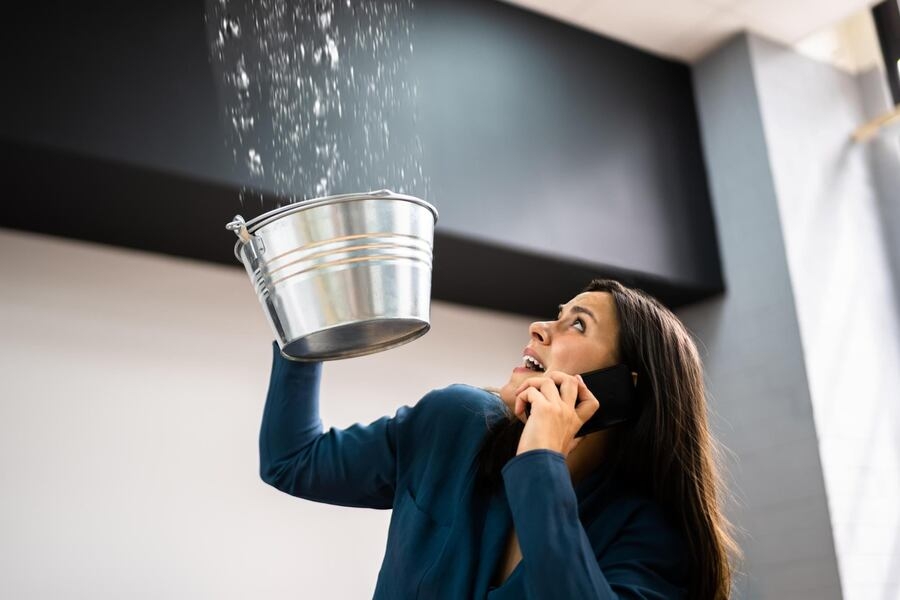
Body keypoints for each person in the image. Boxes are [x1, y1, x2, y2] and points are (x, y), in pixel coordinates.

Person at [259, 278, 739, 599]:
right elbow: (292, 460)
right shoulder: (454, 422)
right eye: (557, 314)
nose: (538, 328)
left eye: (577, 324)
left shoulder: (649, 542)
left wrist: (541, 461)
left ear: (622, 388)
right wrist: (300, 325)